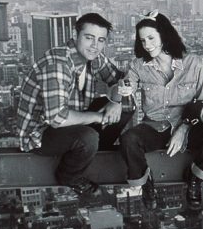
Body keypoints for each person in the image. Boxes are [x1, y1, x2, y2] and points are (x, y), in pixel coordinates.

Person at [118, 11, 203, 210]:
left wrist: (184, 128)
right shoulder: (139, 66)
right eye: (142, 40)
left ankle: (196, 179)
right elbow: (128, 83)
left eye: (151, 38)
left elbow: (201, 104)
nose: (147, 45)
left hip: (189, 125)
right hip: (155, 126)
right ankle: (145, 183)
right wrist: (125, 88)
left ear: (164, 35)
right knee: (129, 140)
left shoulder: (195, 63)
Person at [17, 13, 131, 197]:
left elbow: (122, 80)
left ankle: (90, 150)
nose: (95, 45)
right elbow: (56, 119)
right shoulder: (58, 64)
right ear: (75, 35)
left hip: (73, 119)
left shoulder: (94, 57)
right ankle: (68, 175)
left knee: (127, 105)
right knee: (88, 137)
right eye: (89, 38)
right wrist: (99, 117)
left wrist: (116, 101)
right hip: (40, 134)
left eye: (101, 40)